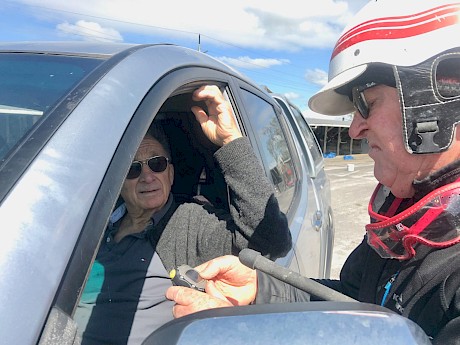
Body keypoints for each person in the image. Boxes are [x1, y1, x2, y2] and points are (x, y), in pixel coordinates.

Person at [166, 1, 460, 343]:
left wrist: (241, 335)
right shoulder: (402, 220)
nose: (354, 130)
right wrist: (260, 288)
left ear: (434, 101)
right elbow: (353, 302)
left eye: (366, 102)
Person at [75, 85, 292, 345]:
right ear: (118, 182)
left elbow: (270, 241)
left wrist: (230, 141)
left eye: (157, 163)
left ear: (171, 173)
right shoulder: (96, 222)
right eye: (133, 169)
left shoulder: (188, 222)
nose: (147, 176)